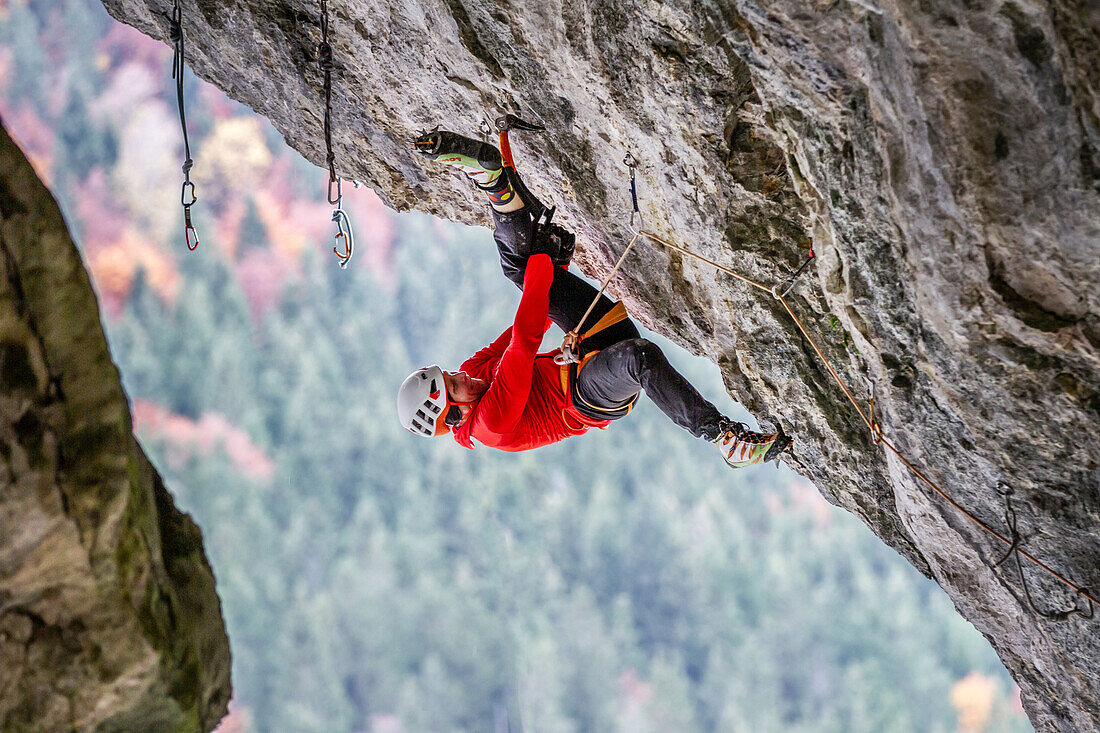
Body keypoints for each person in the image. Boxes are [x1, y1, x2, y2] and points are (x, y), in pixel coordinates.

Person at [397, 130, 792, 468]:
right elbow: (525, 339)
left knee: (519, 270)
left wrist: (554, 271)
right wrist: (545, 265)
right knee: (639, 357)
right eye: (454, 384)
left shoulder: (477, 374)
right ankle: (720, 435)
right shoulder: (490, 422)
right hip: (589, 396)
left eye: (451, 374)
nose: (462, 374)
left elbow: (534, 320)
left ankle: (494, 182)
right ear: (453, 414)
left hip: (587, 345)